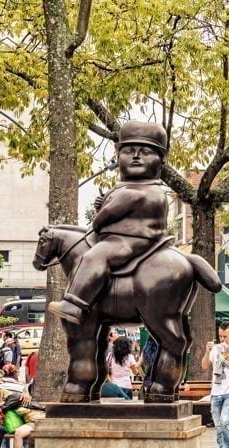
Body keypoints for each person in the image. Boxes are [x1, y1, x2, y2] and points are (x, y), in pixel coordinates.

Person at [47, 121, 170, 325]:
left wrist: (98, 218)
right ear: (119, 156)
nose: (136, 156)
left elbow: (107, 216)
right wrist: (101, 203)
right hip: (123, 237)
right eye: (129, 150)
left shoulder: (136, 191)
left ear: (161, 160)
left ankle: (74, 304)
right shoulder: (129, 187)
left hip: (130, 241)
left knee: (93, 256)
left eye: (145, 151)